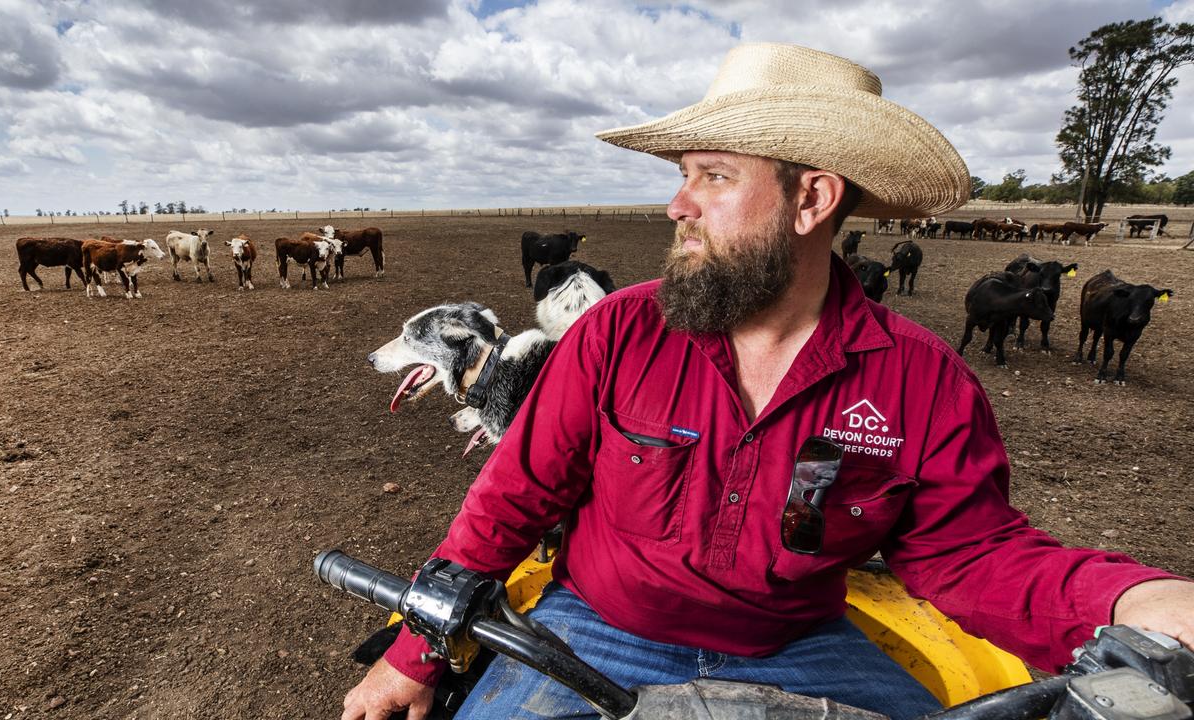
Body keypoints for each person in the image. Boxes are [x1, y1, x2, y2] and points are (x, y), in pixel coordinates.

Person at [342, 43, 1194, 720]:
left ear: (812, 199)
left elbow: (969, 553)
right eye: (682, 175)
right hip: (596, 631)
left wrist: (1132, 597)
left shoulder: (922, 380)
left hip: (802, 646)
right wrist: (414, 650)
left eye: (712, 176)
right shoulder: (617, 332)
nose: (678, 204)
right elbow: (513, 497)